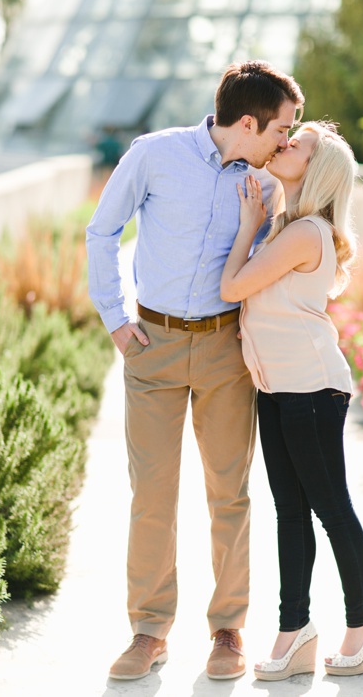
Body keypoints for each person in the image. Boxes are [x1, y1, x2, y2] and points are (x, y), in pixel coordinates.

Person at [87, 60, 303, 681]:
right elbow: (102, 231)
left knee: (228, 492)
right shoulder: (154, 155)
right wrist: (115, 319)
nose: (286, 141)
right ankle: (149, 631)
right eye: (282, 129)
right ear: (246, 122)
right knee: (152, 493)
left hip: (224, 350)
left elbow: (260, 272)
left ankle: (228, 629)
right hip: (151, 344)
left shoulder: (265, 188)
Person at [219, 121, 363, 681]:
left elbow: (233, 287)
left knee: (330, 507)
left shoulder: (304, 231)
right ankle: (295, 634)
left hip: (311, 389)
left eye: (300, 144)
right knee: (291, 512)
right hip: (278, 386)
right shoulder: (288, 226)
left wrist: (247, 226)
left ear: (317, 170)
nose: (286, 143)